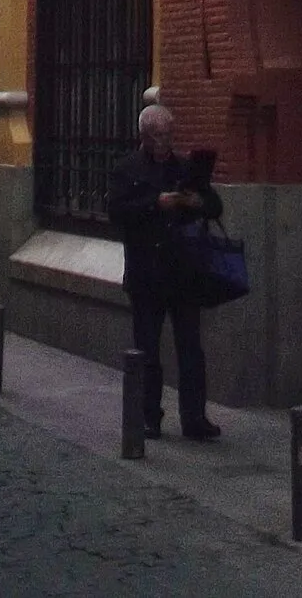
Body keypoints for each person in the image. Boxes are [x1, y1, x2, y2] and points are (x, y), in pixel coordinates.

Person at [107, 101, 223, 441]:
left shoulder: (185, 168)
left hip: (183, 273)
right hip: (146, 274)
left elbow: (215, 205)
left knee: (191, 349)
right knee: (147, 350)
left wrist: (195, 203)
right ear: (144, 136)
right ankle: (149, 417)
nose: (165, 140)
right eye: (158, 134)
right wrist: (154, 204)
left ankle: (194, 418)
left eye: (169, 134)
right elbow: (116, 211)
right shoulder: (127, 169)